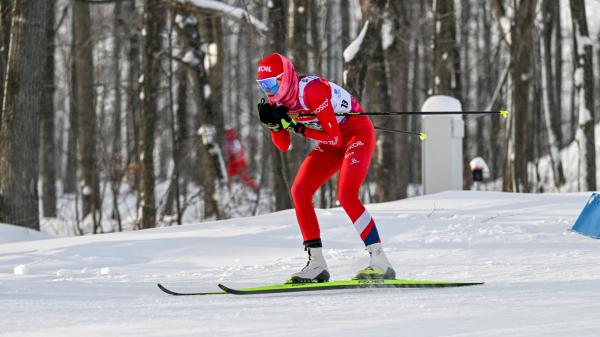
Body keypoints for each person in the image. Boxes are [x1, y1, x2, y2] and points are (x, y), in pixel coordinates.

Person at [255, 53, 395, 283]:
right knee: (299, 191)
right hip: (331, 140)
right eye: (263, 85)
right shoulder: (275, 101)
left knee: (346, 195)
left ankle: (380, 261)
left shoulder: (311, 90)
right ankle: (317, 264)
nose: (268, 90)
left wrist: (296, 128)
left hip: (355, 133)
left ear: (286, 77)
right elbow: (283, 146)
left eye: (272, 83)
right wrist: (273, 125)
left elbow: (335, 139)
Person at [224, 128, 257, 192]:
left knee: (244, 177)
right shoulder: (228, 142)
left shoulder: (235, 142)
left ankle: (254, 188)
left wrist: (233, 155)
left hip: (239, 162)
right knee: (230, 177)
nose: (228, 135)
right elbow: (228, 153)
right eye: (227, 134)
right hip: (233, 163)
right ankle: (228, 192)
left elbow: (240, 152)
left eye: (229, 133)